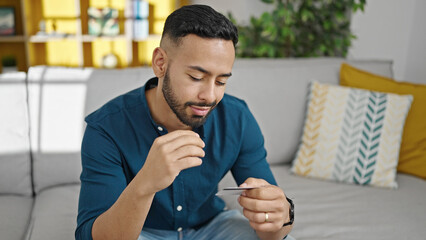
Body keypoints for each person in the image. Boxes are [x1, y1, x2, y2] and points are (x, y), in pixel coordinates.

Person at [76, 4, 294, 240]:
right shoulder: (106, 128)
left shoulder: (237, 118)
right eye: (196, 77)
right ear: (160, 63)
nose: (210, 96)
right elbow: (91, 236)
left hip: (213, 227)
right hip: (141, 232)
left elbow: (274, 230)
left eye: (221, 81)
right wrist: (146, 183)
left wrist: (282, 215)